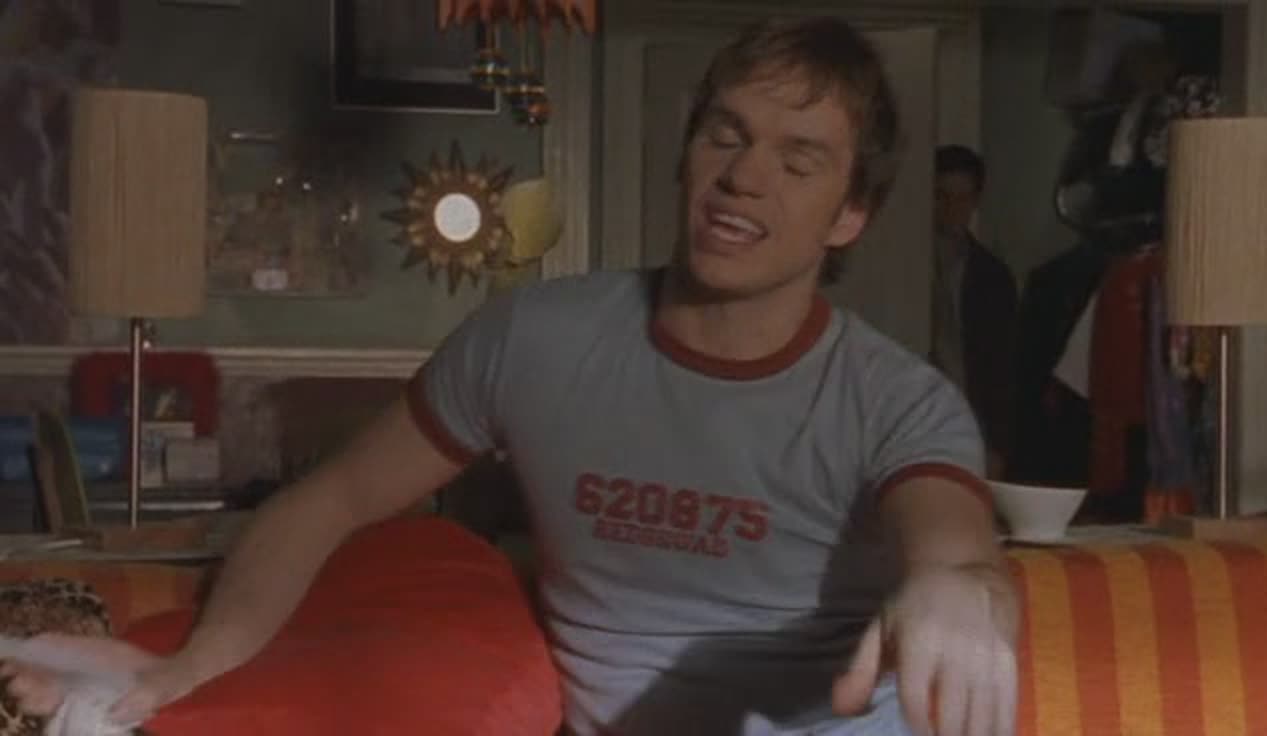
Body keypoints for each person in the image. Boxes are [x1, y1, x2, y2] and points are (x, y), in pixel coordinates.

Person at [6, 18, 1019, 736]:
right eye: (726, 133)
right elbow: (331, 499)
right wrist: (195, 662)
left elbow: (956, 548)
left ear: (850, 215)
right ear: (686, 153)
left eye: (798, 161)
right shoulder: (536, 339)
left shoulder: (897, 399)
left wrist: (957, 591)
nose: (743, 177)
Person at [930, 145, 1019, 480]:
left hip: (967, 415)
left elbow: (1002, 366)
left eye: (962, 198)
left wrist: (997, 444)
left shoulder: (991, 276)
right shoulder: (908, 261)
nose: (952, 208)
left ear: (975, 201)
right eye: (942, 196)